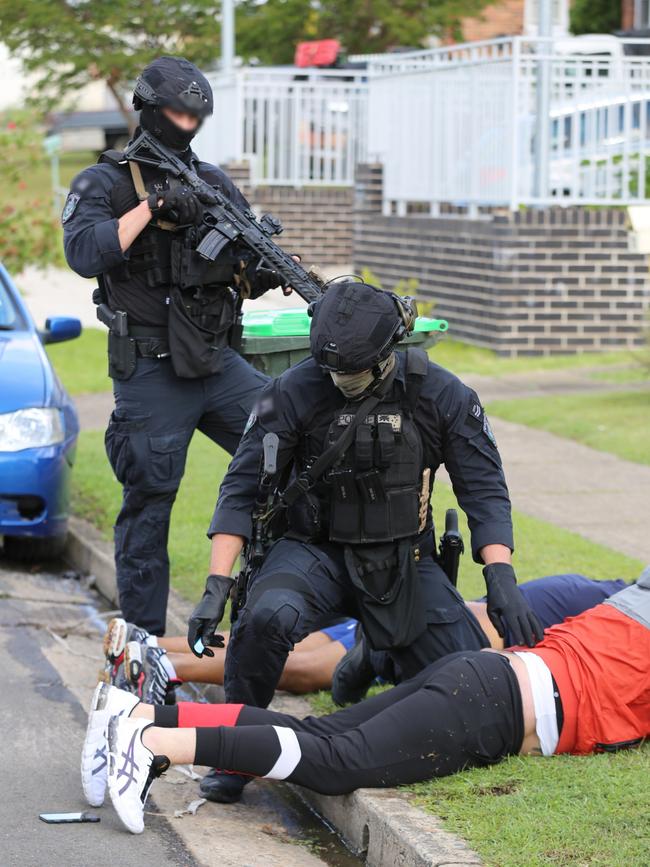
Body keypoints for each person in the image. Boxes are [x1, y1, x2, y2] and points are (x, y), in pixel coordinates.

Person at [187, 278, 545, 802]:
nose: (341, 380)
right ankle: (236, 752)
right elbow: (240, 491)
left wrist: (501, 576)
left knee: (466, 679)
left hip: (403, 558)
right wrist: (217, 586)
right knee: (265, 619)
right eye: (333, 370)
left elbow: (485, 491)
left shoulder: (442, 395)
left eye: (352, 371)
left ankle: (375, 657)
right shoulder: (291, 391)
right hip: (313, 551)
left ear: (387, 354)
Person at [82, 568, 650, 834]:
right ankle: (154, 745)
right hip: (494, 704)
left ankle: (136, 714)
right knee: (336, 764)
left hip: (481, 675)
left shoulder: (631, 598)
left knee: (321, 740)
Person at [62, 56, 298, 636]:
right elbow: (85, 254)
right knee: (149, 505)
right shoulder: (105, 182)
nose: (187, 123)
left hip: (217, 361)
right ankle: (141, 647)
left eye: (197, 114)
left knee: (293, 455)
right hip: (149, 371)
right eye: (176, 112)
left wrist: (264, 268)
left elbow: (241, 265)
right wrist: (152, 206)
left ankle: (267, 614)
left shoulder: (212, 181)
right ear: (148, 108)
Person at [99, 573, 628, 702]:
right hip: (410, 626)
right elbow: (481, 635)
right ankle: (164, 667)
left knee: (293, 653)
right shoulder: (607, 610)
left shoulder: (600, 597)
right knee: (307, 668)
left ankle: (145, 643)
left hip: (411, 615)